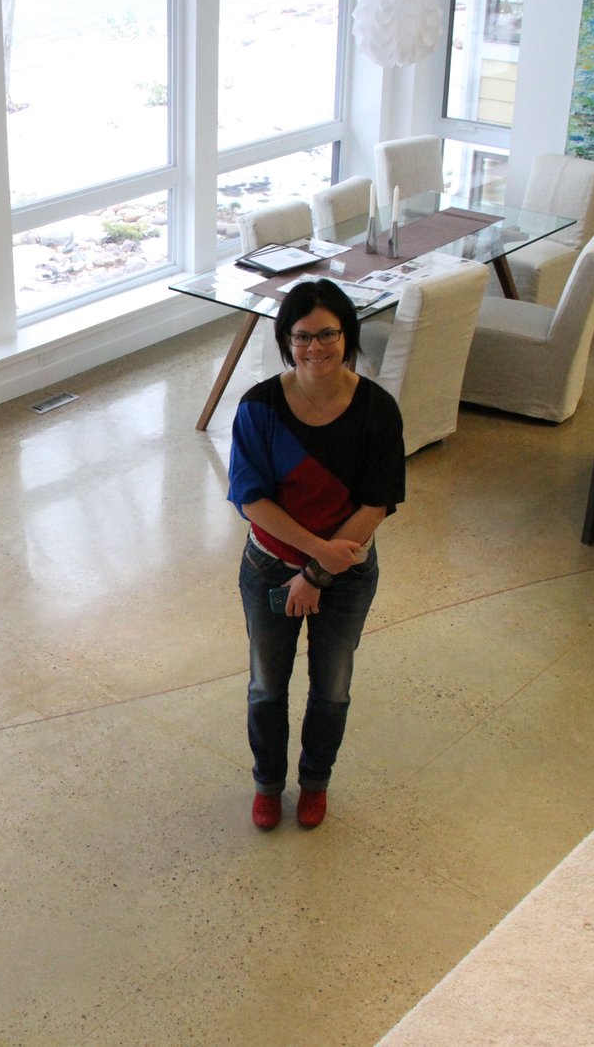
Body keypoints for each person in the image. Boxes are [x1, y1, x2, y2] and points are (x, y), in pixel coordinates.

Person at [226, 278, 405, 830]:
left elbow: (378, 503)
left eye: (328, 334)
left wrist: (319, 571)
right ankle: (267, 785)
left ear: (348, 335)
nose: (315, 347)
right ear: (286, 340)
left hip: (345, 576)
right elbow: (250, 499)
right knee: (266, 686)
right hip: (269, 568)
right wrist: (316, 555)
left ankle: (315, 784)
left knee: (332, 689)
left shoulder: (377, 409)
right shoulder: (259, 406)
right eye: (302, 336)